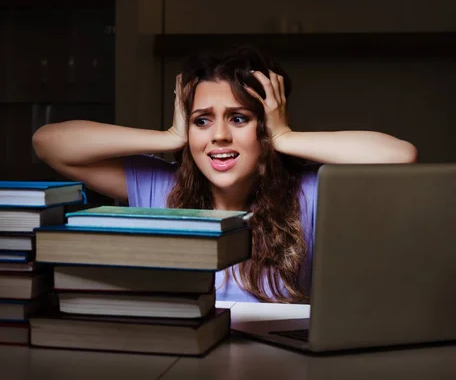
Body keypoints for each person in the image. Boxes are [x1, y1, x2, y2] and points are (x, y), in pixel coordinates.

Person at [32, 46, 417, 304]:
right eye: (202, 120)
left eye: (238, 118)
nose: (218, 135)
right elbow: (48, 142)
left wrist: (284, 136)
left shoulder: (308, 191)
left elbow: (400, 156)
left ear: (263, 126)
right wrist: (170, 136)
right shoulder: (161, 185)